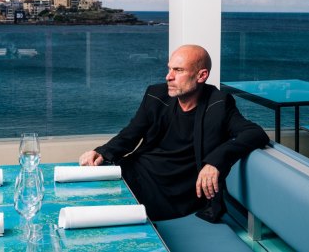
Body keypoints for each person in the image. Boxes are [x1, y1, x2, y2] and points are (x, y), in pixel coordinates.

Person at [79, 44, 269, 221]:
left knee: (103, 218)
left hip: (177, 193)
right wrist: (102, 152)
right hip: (138, 173)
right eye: (169, 69)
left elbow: (255, 133)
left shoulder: (218, 103)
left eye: (178, 70)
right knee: (80, 202)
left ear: (201, 76)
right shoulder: (156, 94)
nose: (168, 76)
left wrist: (215, 161)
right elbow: (130, 134)